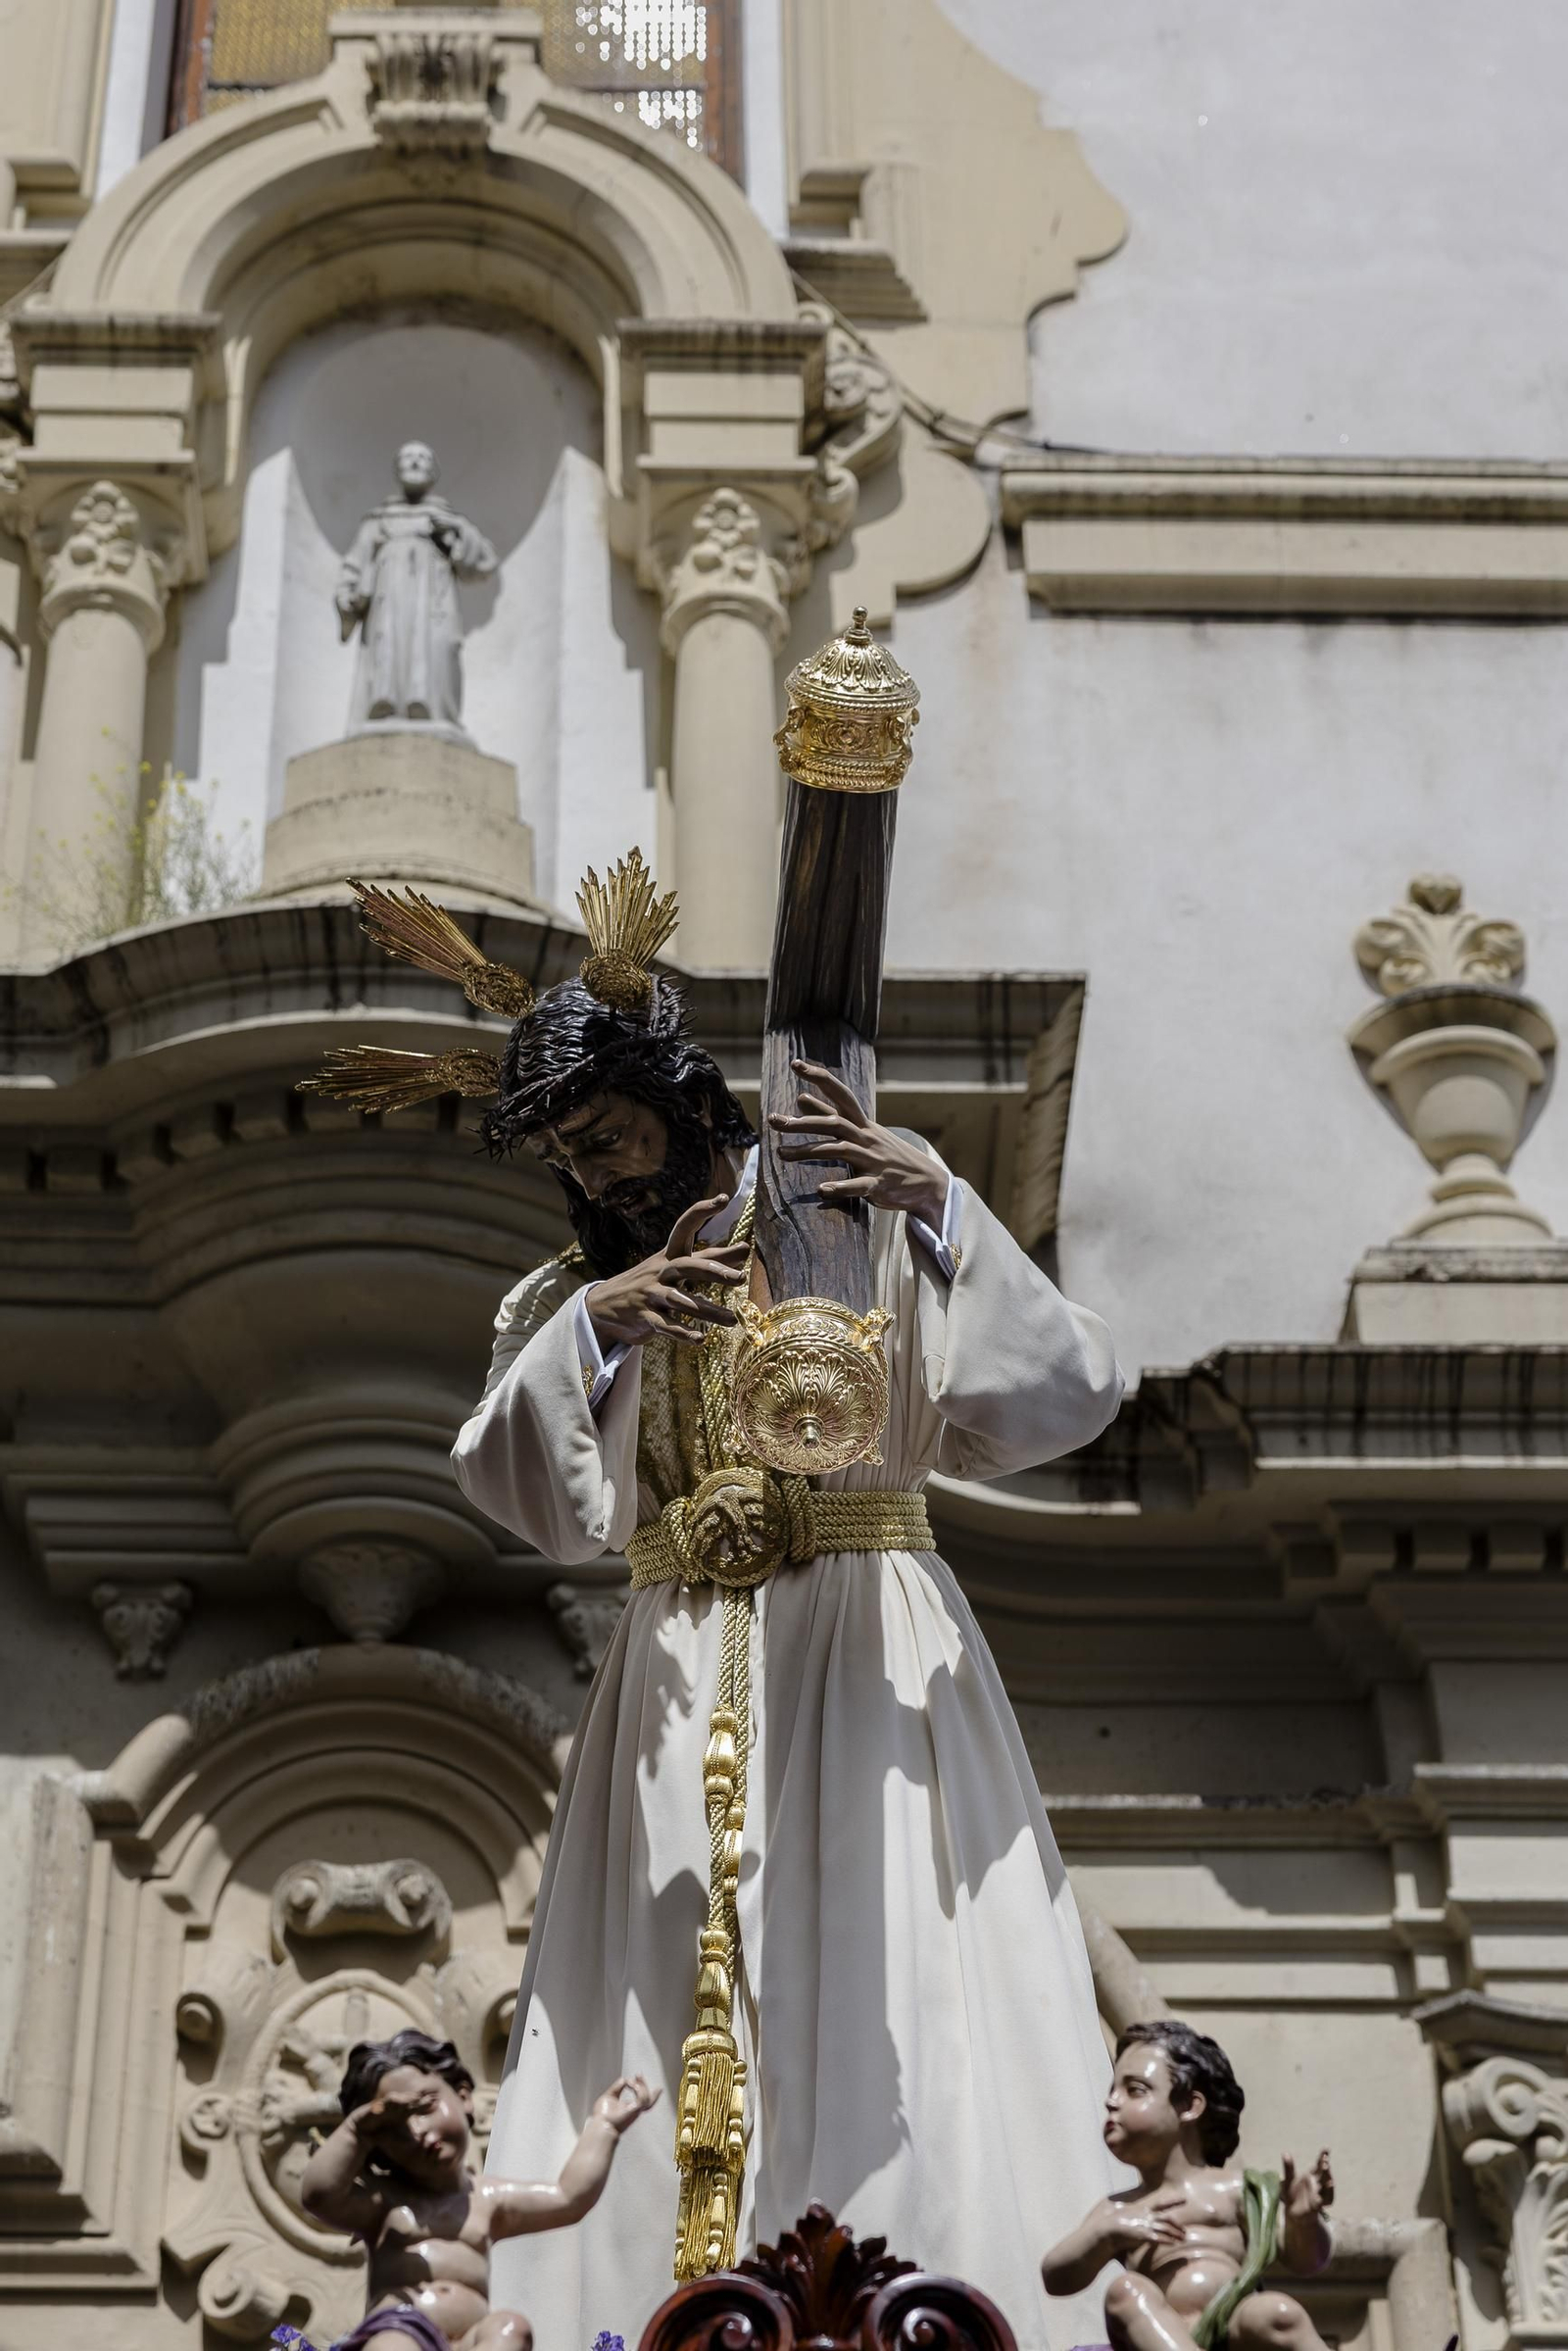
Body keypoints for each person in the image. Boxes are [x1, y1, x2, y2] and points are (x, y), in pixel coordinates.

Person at [303, 855, 1126, 2351]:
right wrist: (596, 1330)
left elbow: (1060, 1394)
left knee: (894, 1954)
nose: (608, 1175)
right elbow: (526, 1491)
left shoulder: (858, 1211)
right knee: (662, 1971)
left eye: (616, 1134)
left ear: (681, 1098)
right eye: (574, 1155)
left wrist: (942, 1203)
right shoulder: (574, 1294)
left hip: (872, 1629)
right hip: (676, 1670)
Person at [294, 2027, 656, 2351]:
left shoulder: (487, 2201)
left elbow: (568, 2197)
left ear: (464, 2096)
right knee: (393, 2345)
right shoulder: (384, 2204)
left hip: (469, 2343)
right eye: (394, 2128)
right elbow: (318, 2195)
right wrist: (358, 2129)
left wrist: (604, 2126)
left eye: (425, 2107)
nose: (417, 2130)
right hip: (401, 2327)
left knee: (510, 2328)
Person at [1040, 2020, 1334, 2351]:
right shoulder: (1120, 2209)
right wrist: (1105, 2234)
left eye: (1134, 2090)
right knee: (1126, 2292)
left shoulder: (1235, 2189)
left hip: (1233, 2330)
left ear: (1190, 2106)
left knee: (1277, 2311)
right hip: (1156, 2335)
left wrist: (1303, 2220)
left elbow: (1308, 2261)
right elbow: (1056, 2277)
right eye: (1112, 2091)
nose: (1112, 2102)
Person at [335, 441, 497, 735]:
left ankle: (436, 713)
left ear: (434, 471)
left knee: (442, 647)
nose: (414, 462)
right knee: (388, 649)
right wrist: (347, 594)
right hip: (388, 605)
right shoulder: (379, 521)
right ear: (396, 469)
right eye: (407, 457)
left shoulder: (446, 521)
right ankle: (383, 709)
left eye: (422, 458)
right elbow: (354, 564)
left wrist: (457, 532)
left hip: (434, 604)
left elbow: (483, 563)